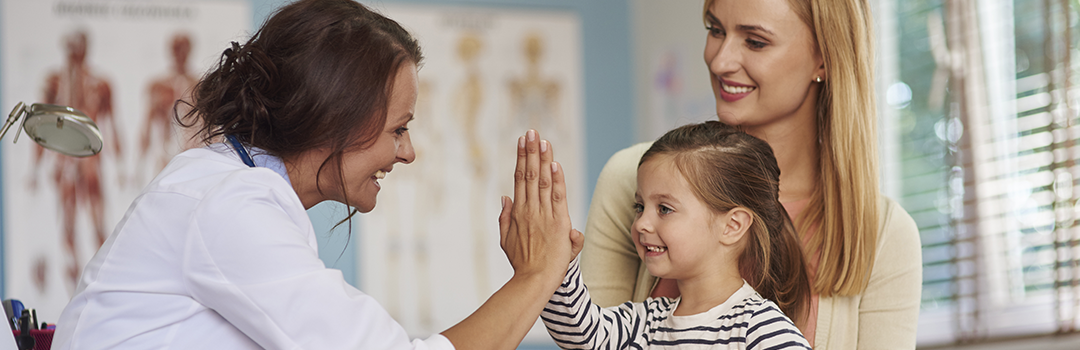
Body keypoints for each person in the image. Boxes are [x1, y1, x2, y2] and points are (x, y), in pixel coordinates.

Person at [52, 0, 579, 349]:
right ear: (337, 117)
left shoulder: (229, 186)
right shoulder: (230, 206)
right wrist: (536, 276)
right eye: (400, 129)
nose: (408, 152)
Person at [579, 0, 922, 348]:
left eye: (755, 42)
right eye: (715, 30)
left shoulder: (884, 236)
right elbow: (586, 334)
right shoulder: (630, 182)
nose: (719, 60)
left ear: (823, 58)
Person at [542, 121, 811, 349]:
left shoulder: (760, 328)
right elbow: (579, 332)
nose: (641, 224)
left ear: (732, 226)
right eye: (640, 206)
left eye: (664, 209)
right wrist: (557, 262)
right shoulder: (645, 320)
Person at [39, 29, 124, 287]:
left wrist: (121, 166)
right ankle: (71, 289)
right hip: (64, 161)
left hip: (90, 162)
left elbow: (111, 124)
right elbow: (40, 124)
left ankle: (103, 283)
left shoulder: (100, 83)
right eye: (71, 47)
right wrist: (34, 168)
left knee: (98, 221)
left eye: (79, 46)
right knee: (67, 223)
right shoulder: (55, 81)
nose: (75, 52)